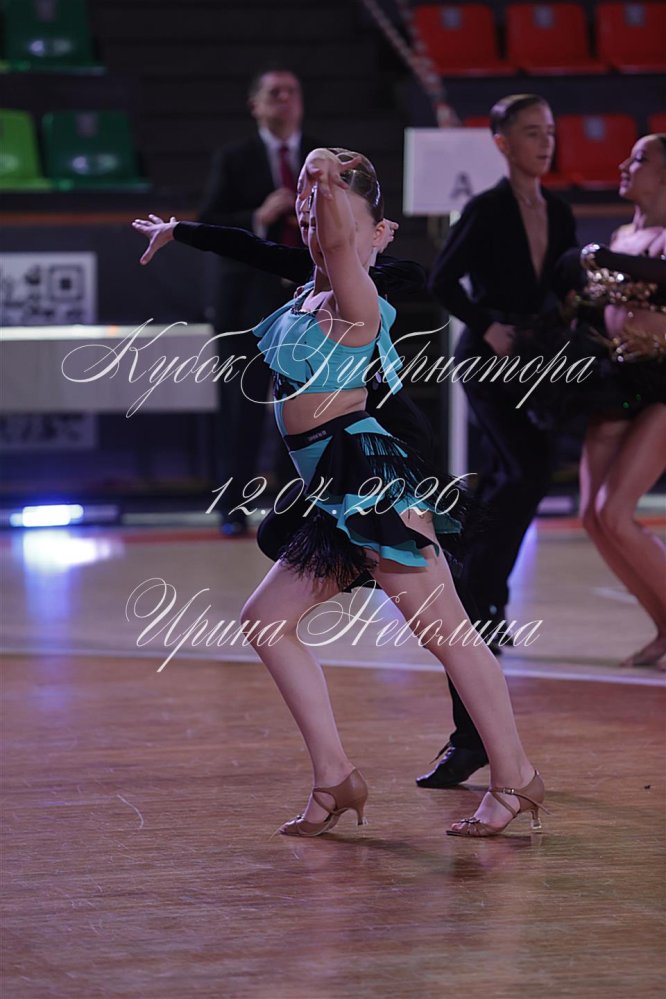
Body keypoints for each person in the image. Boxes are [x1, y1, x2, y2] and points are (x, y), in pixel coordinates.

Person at [157, 145, 544, 839]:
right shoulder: (308, 292)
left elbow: (337, 245)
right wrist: (201, 225)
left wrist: (319, 170)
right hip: (330, 490)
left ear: (377, 233)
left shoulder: (356, 298)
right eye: (307, 213)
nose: (317, 223)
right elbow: (292, 243)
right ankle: (335, 778)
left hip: (372, 484)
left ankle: (515, 778)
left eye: (331, 214)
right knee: (266, 620)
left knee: (448, 634)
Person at [424, 94, 578, 789]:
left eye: (550, 132)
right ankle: (483, 587)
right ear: (501, 142)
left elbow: (562, 285)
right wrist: (486, 322)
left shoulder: (561, 210)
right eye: (530, 133)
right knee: (530, 469)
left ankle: (480, 586)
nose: (544, 143)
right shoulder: (486, 209)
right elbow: (440, 279)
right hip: (488, 362)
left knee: (506, 481)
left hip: (537, 360)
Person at [198, 67, 321, 536]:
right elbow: (209, 221)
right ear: (256, 105)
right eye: (275, 93)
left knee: (305, 407)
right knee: (241, 407)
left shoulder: (322, 156)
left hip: (307, 299)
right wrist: (258, 216)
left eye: (292, 92)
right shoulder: (234, 158)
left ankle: (297, 508)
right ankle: (233, 508)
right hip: (247, 301)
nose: (285, 99)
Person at [578, 134, 666, 669]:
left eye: (640, 159)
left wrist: (601, 259)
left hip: (663, 381)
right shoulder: (622, 235)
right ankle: (662, 627)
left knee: (617, 510)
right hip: (616, 377)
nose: (625, 165)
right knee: (593, 516)